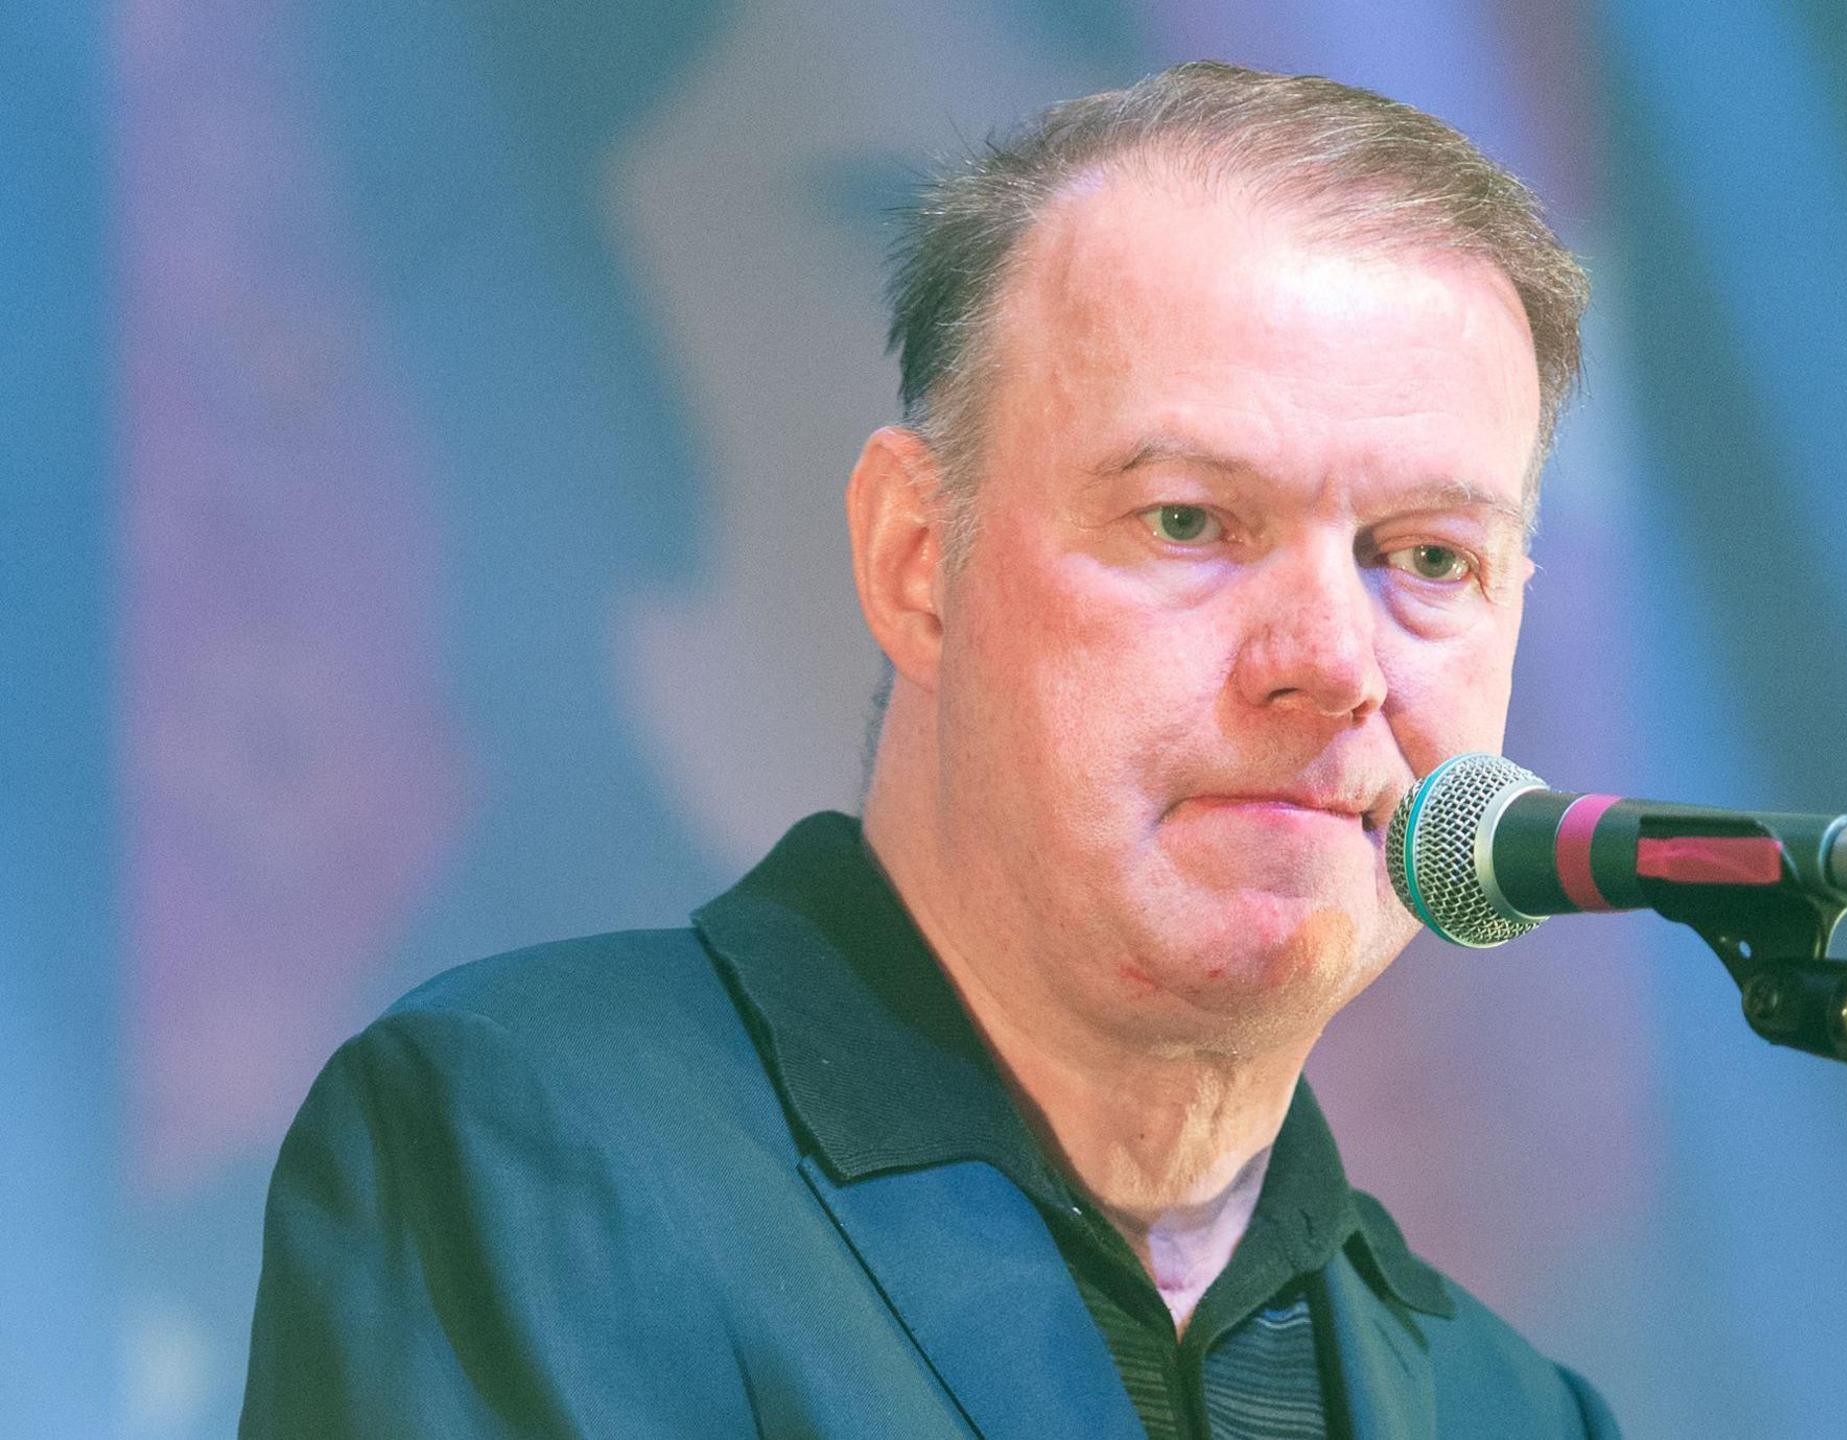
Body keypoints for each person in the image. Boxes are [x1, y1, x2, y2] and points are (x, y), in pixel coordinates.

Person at [241, 61, 1613, 1438]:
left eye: (1430, 557)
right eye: (1189, 521)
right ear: (916, 562)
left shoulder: (1522, 1412)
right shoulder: (533, 1153)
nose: (1331, 661)